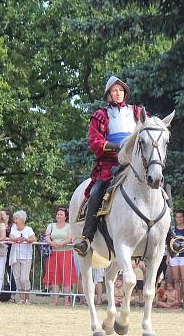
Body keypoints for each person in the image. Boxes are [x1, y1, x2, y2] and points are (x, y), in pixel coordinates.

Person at [73, 76, 146, 255]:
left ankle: (169, 235)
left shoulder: (137, 112)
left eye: (121, 90)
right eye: (114, 90)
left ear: (125, 93)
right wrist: (114, 146)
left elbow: (147, 131)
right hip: (110, 163)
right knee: (97, 190)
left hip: (134, 162)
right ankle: (86, 237)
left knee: (160, 186)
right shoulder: (101, 115)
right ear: (109, 94)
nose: (118, 93)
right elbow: (94, 141)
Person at [43, 208, 75, 306]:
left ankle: (66, 300)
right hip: (54, 254)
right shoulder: (51, 225)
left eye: (61, 214)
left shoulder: (69, 226)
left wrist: (60, 244)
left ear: (65, 217)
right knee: (54, 277)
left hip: (66, 253)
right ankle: (55, 300)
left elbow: (70, 239)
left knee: (66, 276)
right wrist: (51, 242)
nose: (59, 216)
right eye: (57, 214)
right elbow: (47, 236)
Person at [9, 210, 36, 304]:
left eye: (16, 219)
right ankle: (21, 298)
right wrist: (17, 239)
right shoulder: (13, 228)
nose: (15, 221)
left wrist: (27, 240)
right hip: (15, 256)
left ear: (22, 220)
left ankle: (27, 298)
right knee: (17, 277)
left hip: (26, 256)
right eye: (14, 219)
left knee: (24, 278)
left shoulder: (28, 229)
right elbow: (11, 237)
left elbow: (34, 238)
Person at [167, 210, 184, 304]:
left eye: (180, 217)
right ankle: (178, 299)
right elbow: (169, 244)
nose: (178, 218)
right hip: (174, 256)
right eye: (177, 217)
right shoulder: (172, 229)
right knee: (176, 279)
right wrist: (167, 257)